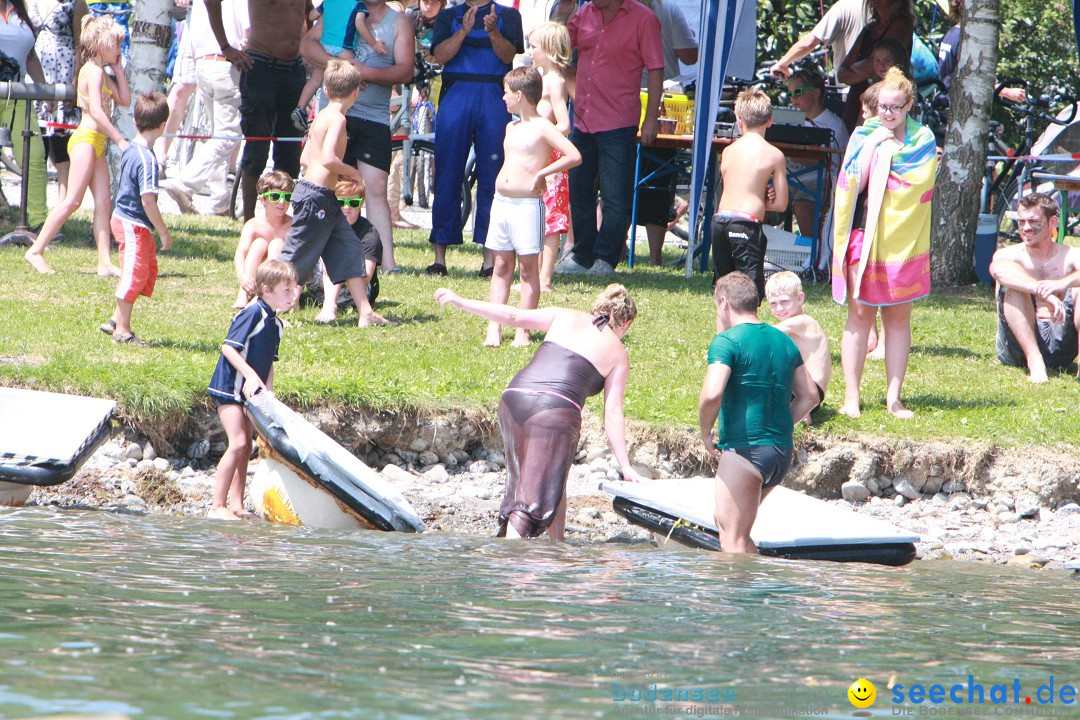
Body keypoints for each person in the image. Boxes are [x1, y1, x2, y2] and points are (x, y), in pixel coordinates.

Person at [434, 284, 644, 540]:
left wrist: (462, 301)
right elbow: (612, 413)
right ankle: (511, 561)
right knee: (528, 503)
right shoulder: (618, 353)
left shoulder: (564, 315)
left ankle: (557, 543)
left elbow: (513, 316)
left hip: (513, 400)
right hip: (553, 412)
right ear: (627, 322)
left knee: (550, 477)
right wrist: (626, 466)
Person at [831, 66, 937, 419]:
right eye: (883, 107)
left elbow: (919, 187)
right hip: (864, 236)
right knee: (859, 316)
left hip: (902, 243)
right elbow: (851, 187)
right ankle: (851, 396)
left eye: (895, 107)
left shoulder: (924, 140)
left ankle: (894, 397)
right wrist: (876, 146)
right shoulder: (864, 136)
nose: (888, 114)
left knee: (898, 319)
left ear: (908, 105)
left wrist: (892, 160)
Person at [699, 272, 819, 554]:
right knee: (731, 527)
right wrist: (780, 425)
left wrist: (705, 432)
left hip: (746, 451)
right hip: (779, 452)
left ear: (724, 302)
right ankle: (760, 591)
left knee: (732, 536)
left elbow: (712, 393)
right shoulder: (783, 340)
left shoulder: (727, 341)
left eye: (718, 305)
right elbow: (810, 395)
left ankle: (739, 599)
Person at [302, 0, 415, 273]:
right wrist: (343, 70)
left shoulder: (398, 22)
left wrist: (365, 73)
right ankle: (316, 256)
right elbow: (306, 46)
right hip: (334, 111)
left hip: (374, 117)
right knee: (325, 184)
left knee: (375, 187)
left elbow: (405, 70)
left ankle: (386, 261)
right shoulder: (340, 9)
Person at [551, 0, 663, 277]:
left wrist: (651, 119)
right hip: (584, 119)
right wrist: (563, 12)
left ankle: (605, 258)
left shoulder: (643, 19)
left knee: (614, 195)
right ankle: (582, 254)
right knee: (578, 188)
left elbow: (657, 70)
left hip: (618, 121)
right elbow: (561, 48)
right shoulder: (584, 12)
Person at [277, 59, 389, 328]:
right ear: (356, 92)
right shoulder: (338, 119)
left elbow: (306, 158)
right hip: (316, 197)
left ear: (325, 90)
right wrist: (353, 172)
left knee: (349, 250)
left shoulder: (321, 116)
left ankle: (365, 311)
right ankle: (264, 307)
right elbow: (327, 159)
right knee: (295, 255)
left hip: (322, 197)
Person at [24, 14, 129, 276]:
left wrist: (118, 69)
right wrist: (119, 138)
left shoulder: (102, 74)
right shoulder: (91, 72)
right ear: (102, 44)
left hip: (97, 144)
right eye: (115, 44)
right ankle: (36, 249)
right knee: (72, 201)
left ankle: (104, 262)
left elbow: (125, 99)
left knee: (104, 203)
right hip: (84, 141)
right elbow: (95, 110)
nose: (118, 49)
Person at [483, 67, 581, 348]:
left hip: (527, 205)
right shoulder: (510, 127)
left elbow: (574, 155)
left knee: (527, 269)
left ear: (519, 94)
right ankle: (494, 327)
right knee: (501, 265)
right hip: (502, 202)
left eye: (506, 92)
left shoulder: (542, 127)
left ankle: (523, 330)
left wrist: (543, 173)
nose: (503, 97)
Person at [425, 0, 524, 276]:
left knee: (493, 177)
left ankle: (489, 258)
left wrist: (493, 32)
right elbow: (441, 56)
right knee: (447, 173)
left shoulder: (508, 16)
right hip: (456, 94)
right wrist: (463, 31)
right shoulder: (448, 16)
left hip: (494, 95)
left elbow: (507, 57)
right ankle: (439, 257)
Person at [207, 259, 300, 520]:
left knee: (247, 448)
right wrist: (249, 375)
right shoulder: (252, 313)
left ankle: (236, 505)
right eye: (286, 290)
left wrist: (268, 393)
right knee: (237, 443)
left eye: (293, 289)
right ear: (266, 290)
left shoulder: (276, 324)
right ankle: (217, 506)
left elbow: (269, 362)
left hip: (250, 393)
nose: (292, 295)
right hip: (229, 387)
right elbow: (228, 348)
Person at [205, 0, 307, 222]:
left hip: (294, 68)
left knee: (290, 153)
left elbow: (306, 13)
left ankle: (282, 221)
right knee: (257, 149)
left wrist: (310, 48)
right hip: (261, 64)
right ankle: (249, 222)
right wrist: (225, 48)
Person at [159, 0, 248, 217]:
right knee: (227, 136)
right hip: (226, 65)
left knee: (218, 137)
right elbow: (248, 33)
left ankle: (220, 203)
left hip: (203, 64)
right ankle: (185, 183)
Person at [96, 93, 171, 347]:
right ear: (163, 125)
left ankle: (115, 320)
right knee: (133, 274)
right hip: (133, 224)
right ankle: (123, 332)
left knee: (145, 269)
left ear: (136, 120)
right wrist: (163, 231)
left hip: (128, 221)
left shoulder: (129, 148)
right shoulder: (147, 159)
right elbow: (148, 201)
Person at [990, 193, 1080, 383]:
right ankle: (1035, 362)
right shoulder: (1010, 255)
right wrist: (1040, 289)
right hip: (1018, 348)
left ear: (1052, 222)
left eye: (1033, 221)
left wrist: (1061, 284)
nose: (1026, 228)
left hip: (1062, 340)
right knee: (1013, 288)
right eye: (1022, 221)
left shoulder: (1070, 256)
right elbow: (998, 270)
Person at [634, 0, 698, 267]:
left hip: (642, 100)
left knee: (640, 183)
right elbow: (689, 55)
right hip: (659, 102)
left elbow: (688, 56)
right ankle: (653, 257)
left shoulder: (665, 9)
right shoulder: (668, 9)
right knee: (657, 183)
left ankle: (644, 256)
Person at [711, 88, 788, 301]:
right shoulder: (774, 155)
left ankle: (723, 330)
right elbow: (781, 204)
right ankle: (747, 331)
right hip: (746, 223)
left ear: (739, 120)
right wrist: (763, 201)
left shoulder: (728, 151)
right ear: (770, 120)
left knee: (722, 287)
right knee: (748, 291)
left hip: (720, 221)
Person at [291, 0, 387, 133]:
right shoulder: (357, 4)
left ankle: (300, 108)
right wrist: (374, 43)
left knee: (314, 80)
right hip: (343, 48)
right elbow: (359, 25)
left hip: (324, 46)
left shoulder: (328, 2)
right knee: (353, 75)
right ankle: (340, 111)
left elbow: (312, 16)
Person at [784, 68, 849, 262]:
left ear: (816, 93)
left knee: (804, 204)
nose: (793, 99)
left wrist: (788, 149)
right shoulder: (791, 118)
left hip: (824, 182)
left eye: (798, 92)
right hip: (789, 179)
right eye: (790, 94)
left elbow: (825, 162)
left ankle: (813, 260)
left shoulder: (833, 124)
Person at [527, 21, 573, 292]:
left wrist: (543, 135)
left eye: (534, 47)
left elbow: (564, 124)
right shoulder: (541, 79)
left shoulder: (555, 82)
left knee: (552, 219)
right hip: (540, 154)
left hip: (553, 157)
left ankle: (545, 279)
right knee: (539, 215)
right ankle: (536, 275)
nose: (530, 51)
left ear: (549, 49)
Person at [314, 176, 393, 325]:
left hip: (355, 291)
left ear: (361, 203)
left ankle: (329, 306)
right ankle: (291, 301)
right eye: (340, 202)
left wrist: (339, 264)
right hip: (320, 282)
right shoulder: (325, 224)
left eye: (353, 202)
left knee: (338, 253)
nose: (346, 208)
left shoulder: (369, 233)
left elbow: (367, 277)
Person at [836, 0, 913, 131]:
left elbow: (875, 67)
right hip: (858, 98)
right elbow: (842, 74)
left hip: (884, 100)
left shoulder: (901, 23)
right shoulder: (870, 27)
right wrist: (863, 69)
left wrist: (856, 68)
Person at [31, 0, 79, 212]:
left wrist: (75, 83)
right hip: (36, 75)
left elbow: (81, 44)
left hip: (63, 74)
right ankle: (36, 209)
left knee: (61, 147)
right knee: (35, 145)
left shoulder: (75, 3)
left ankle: (62, 208)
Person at [765, 271, 831, 421]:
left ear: (800, 298)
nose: (779, 309)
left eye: (784, 302)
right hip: (810, 389)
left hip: (810, 390)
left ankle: (801, 412)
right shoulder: (796, 324)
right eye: (773, 304)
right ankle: (801, 413)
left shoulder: (803, 322)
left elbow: (765, 333)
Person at [233, 170, 295, 309]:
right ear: (262, 199)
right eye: (275, 196)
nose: (281, 202)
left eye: (287, 197)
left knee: (277, 244)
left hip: (280, 281)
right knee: (259, 244)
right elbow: (240, 254)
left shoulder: (291, 225)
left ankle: (262, 297)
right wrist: (242, 278)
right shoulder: (253, 225)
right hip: (254, 278)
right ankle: (243, 294)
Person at [770, 0, 869, 83]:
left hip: (852, 88)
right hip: (880, 88)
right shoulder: (882, 6)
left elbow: (808, 43)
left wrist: (782, 64)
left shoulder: (844, 7)